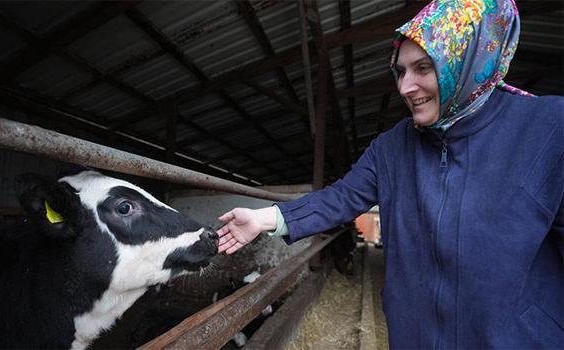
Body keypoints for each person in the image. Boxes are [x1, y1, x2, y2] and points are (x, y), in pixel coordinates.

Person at [216, 0, 564, 348]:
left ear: (464, 59)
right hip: (415, 337)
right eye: (401, 71)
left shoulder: (549, 130)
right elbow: (342, 196)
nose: (404, 87)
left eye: (423, 68)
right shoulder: (393, 146)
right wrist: (268, 218)